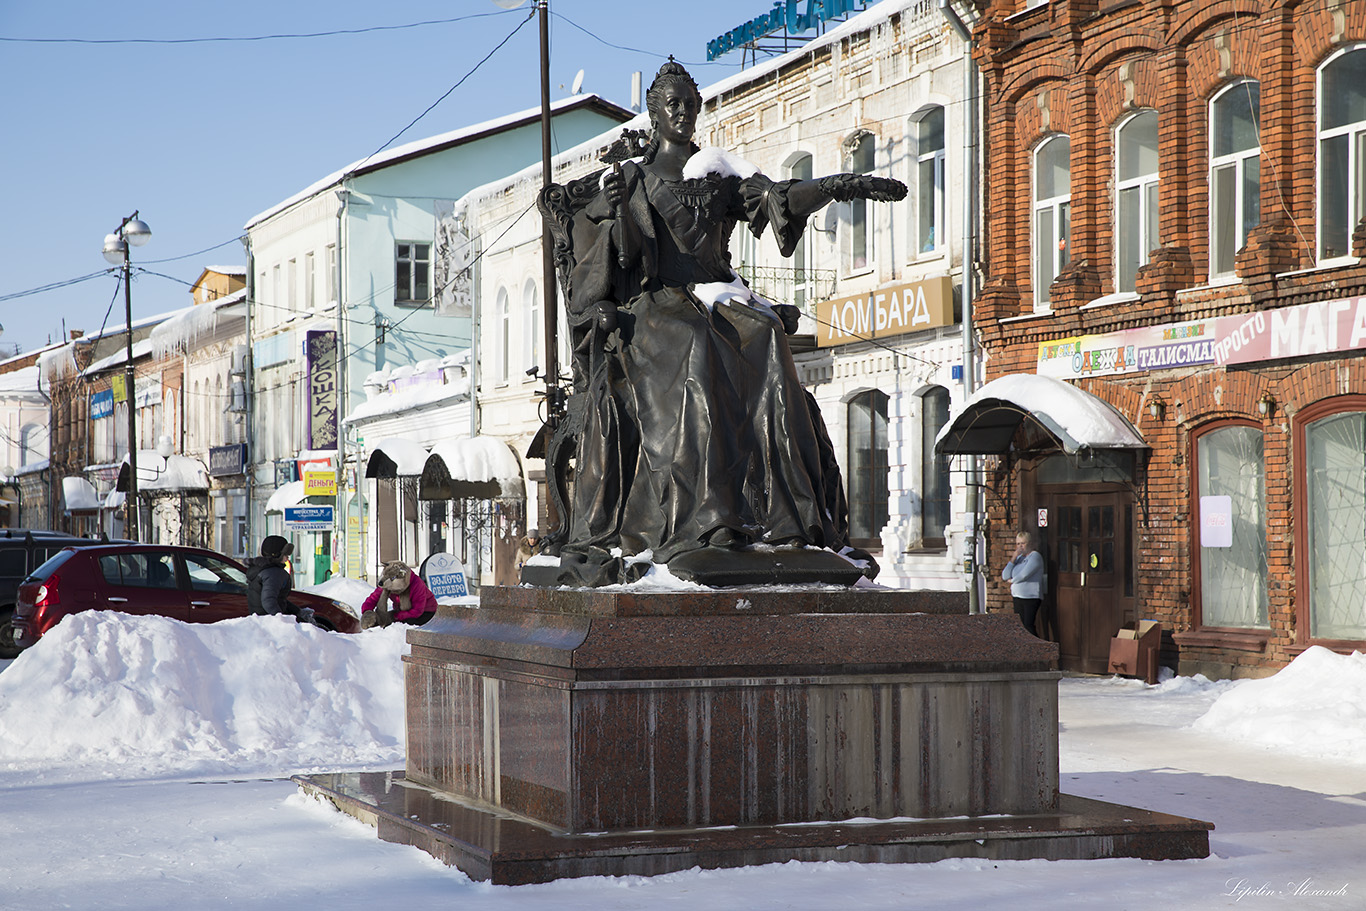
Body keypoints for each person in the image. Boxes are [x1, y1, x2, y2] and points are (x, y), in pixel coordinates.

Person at [540, 60, 905, 586]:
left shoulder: (716, 173)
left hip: (718, 294)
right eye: (673, 104)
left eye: (690, 103)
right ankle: (709, 519)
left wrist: (838, 186)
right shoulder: (633, 178)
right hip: (654, 305)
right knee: (697, 345)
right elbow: (618, 260)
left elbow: (776, 199)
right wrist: (619, 210)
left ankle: (788, 518)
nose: (683, 112)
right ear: (655, 113)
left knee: (768, 338)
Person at [246, 535, 314, 625]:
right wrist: (282, 621)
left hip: (260, 621)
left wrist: (297, 611)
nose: (287, 558)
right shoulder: (273, 573)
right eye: (285, 554)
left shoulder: (260, 569)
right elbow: (269, 601)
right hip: (270, 624)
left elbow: (278, 598)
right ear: (277, 555)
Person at [361, 560, 438, 629]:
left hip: (426, 613)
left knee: (405, 623)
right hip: (401, 611)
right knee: (382, 621)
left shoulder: (417, 585)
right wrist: (367, 611)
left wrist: (395, 616)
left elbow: (417, 611)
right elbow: (373, 598)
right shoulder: (386, 585)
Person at [1002, 530, 1045, 635]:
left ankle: (1036, 649)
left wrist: (1012, 581)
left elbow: (1024, 575)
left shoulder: (1035, 556)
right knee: (1020, 626)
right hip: (1017, 596)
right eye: (1018, 544)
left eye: (1023, 543)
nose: (1020, 547)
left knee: (1028, 625)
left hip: (1030, 597)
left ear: (1029, 543)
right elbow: (1005, 575)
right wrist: (1013, 559)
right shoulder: (1019, 558)